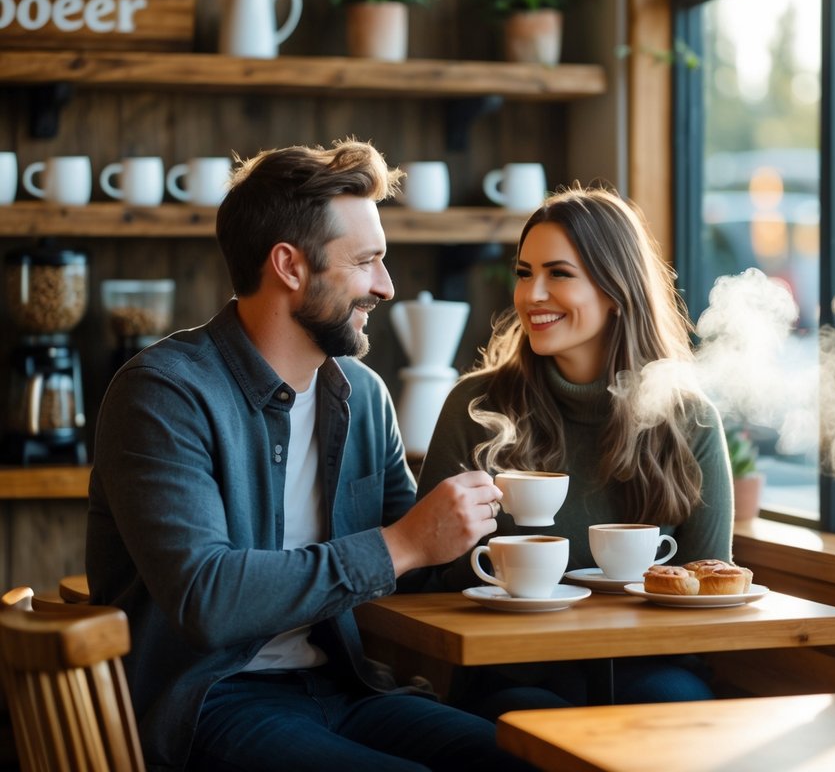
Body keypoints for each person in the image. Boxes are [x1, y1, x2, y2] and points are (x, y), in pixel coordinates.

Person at [86, 139, 532, 772]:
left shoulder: (362, 396)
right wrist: (402, 543)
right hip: (208, 702)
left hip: (345, 685)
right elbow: (206, 599)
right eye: (367, 262)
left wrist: (503, 532)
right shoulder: (163, 394)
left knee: (527, 759)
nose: (386, 286)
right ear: (289, 266)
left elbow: (421, 572)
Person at [418, 185, 734, 718]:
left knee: (670, 706)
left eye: (559, 274)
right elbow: (428, 579)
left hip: (649, 668)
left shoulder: (687, 418)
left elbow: (708, 583)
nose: (532, 294)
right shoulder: (476, 406)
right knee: (527, 717)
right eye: (524, 273)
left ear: (615, 291)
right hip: (510, 671)